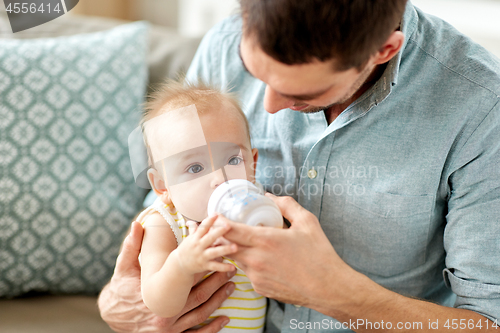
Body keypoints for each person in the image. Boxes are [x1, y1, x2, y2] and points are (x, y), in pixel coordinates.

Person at [99, 0, 500, 332]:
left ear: (384, 50)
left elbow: (487, 324)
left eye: (300, 93)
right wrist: (126, 304)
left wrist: (333, 292)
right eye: (256, 73)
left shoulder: (480, 109)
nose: (268, 106)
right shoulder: (224, 45)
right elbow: (166, 200)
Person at [136, 81, 266, 332]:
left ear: (253, 164)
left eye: (232, 159)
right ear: (163, 186)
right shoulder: (164, 222)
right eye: (195, 168)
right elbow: (157, 302)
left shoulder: (256, 207)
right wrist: (183, 264)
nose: (219, 178)